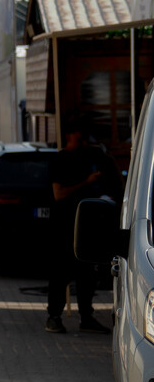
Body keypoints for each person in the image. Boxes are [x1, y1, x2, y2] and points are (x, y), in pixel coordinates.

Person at [45, 124, 120, 334]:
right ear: (69, 136)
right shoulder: (60, 161)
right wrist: (85, 182)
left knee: (86, 273)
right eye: (79, 139)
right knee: (60, 274)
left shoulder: (90, 158)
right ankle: (54, 316)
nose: (83, 143)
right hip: (63, 227)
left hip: (85, 228)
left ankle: (86, 317)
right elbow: (59, 194)